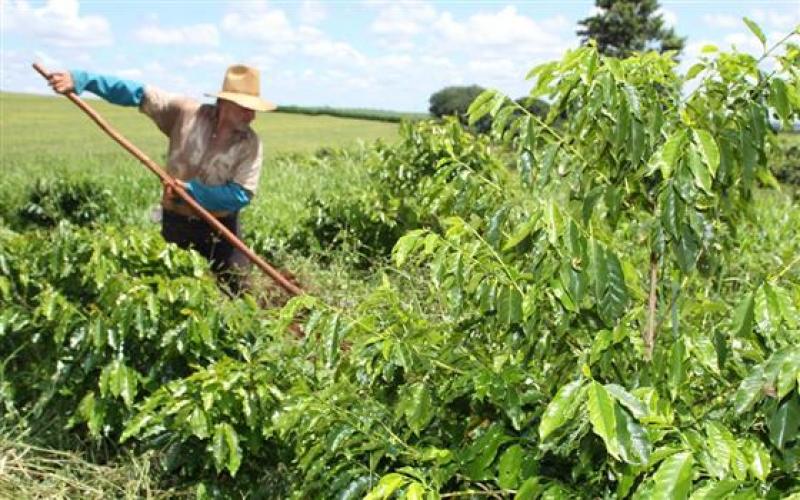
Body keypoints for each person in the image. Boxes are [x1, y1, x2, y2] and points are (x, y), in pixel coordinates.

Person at [46, 64, 275, 293]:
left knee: (237, 291)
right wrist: (82, 79)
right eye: (246, 108)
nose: (252, 116)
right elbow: (137, 93)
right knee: (171, 291)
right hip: (176, 222)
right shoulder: (186, 113)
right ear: (226, 103)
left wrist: (192, 192)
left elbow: (240, 195)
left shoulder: (250, 144)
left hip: (221, 229)